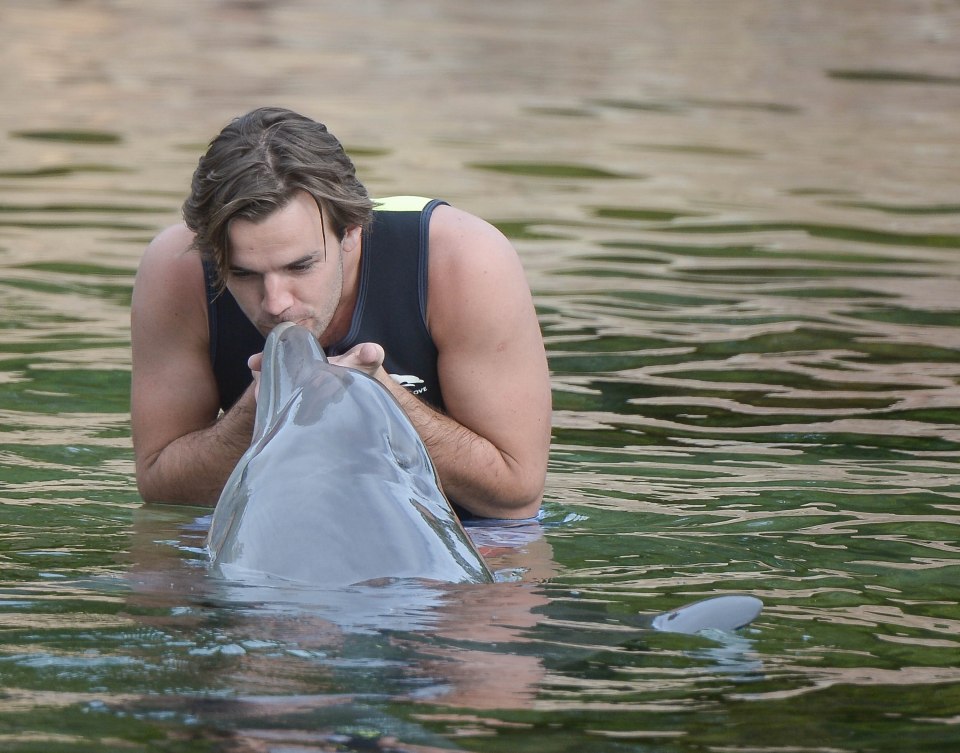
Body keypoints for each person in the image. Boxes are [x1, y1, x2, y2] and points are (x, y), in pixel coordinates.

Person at [130, 106, 552, 521]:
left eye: (300, 266)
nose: (275, 303)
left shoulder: (462, 259)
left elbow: (516, 496)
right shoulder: (178, 268)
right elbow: (161, 490)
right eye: (241, 273)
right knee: (155, 578)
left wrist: (381, 401)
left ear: (351, 231)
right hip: (277, 525)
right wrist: (254, 417)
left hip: (465, 529)